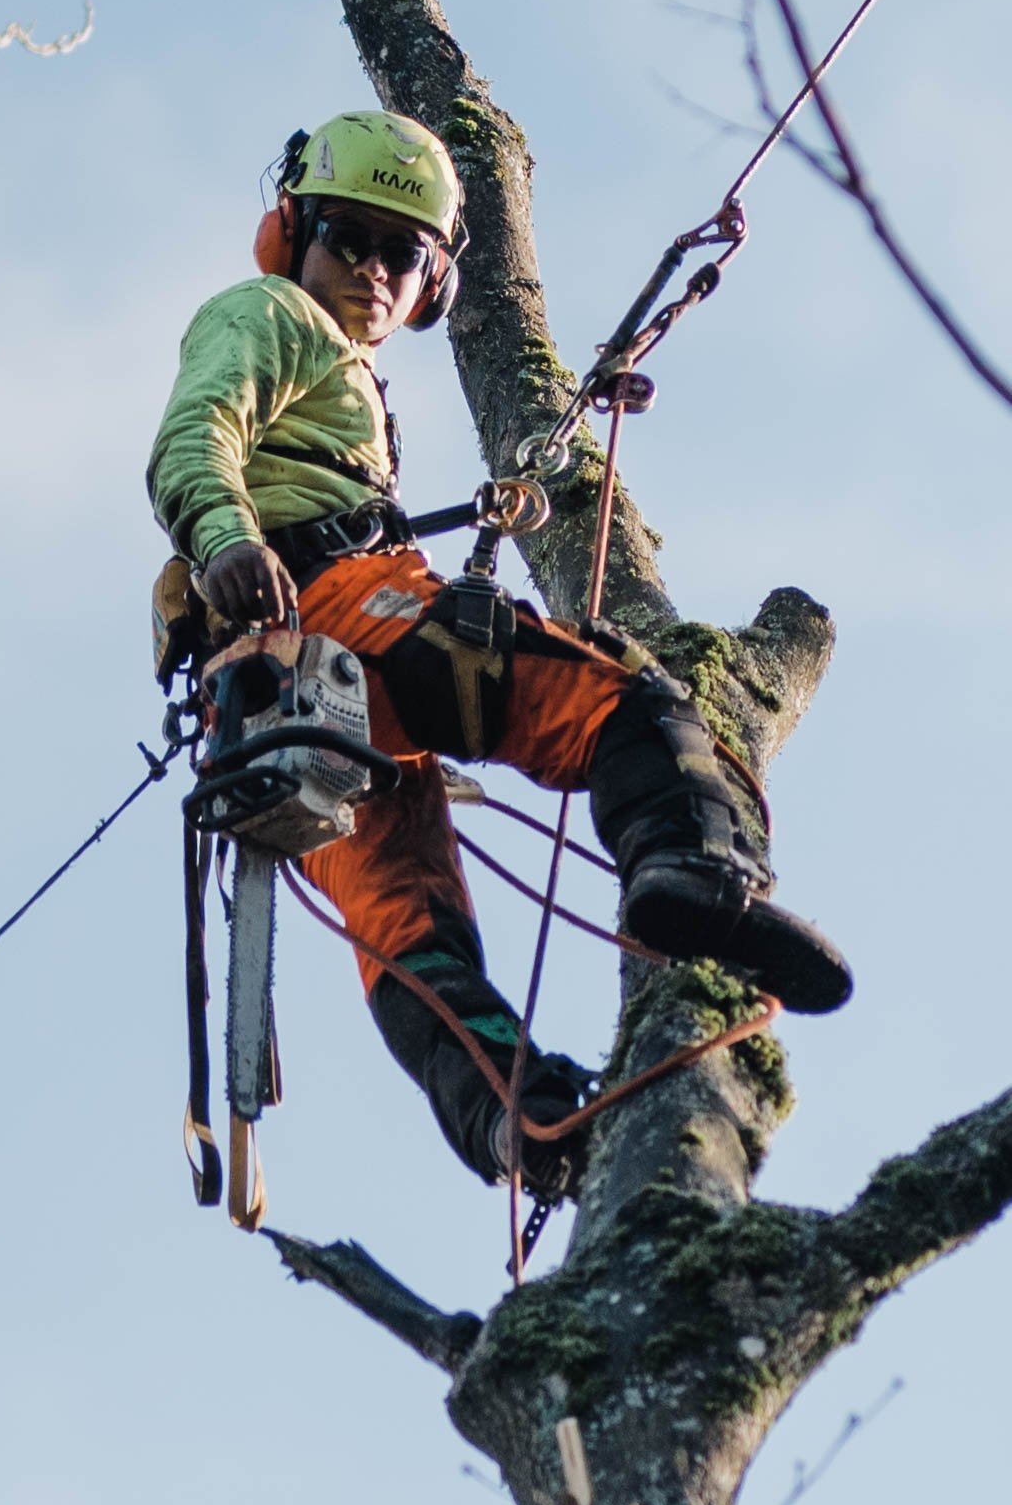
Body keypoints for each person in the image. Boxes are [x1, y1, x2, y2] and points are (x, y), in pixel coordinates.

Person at [146, 110, 852, 1202]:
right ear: (293, 231)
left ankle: (515, 1115)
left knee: (406, 919)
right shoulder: (270, 313)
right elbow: (195, 434)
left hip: (294, 702)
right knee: (617, 696)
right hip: (340, 613)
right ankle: (694, 872)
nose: (373, 270)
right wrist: (227, 538)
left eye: (403, 254)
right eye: (348, 238)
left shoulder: (340, 369)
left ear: (432, 280)